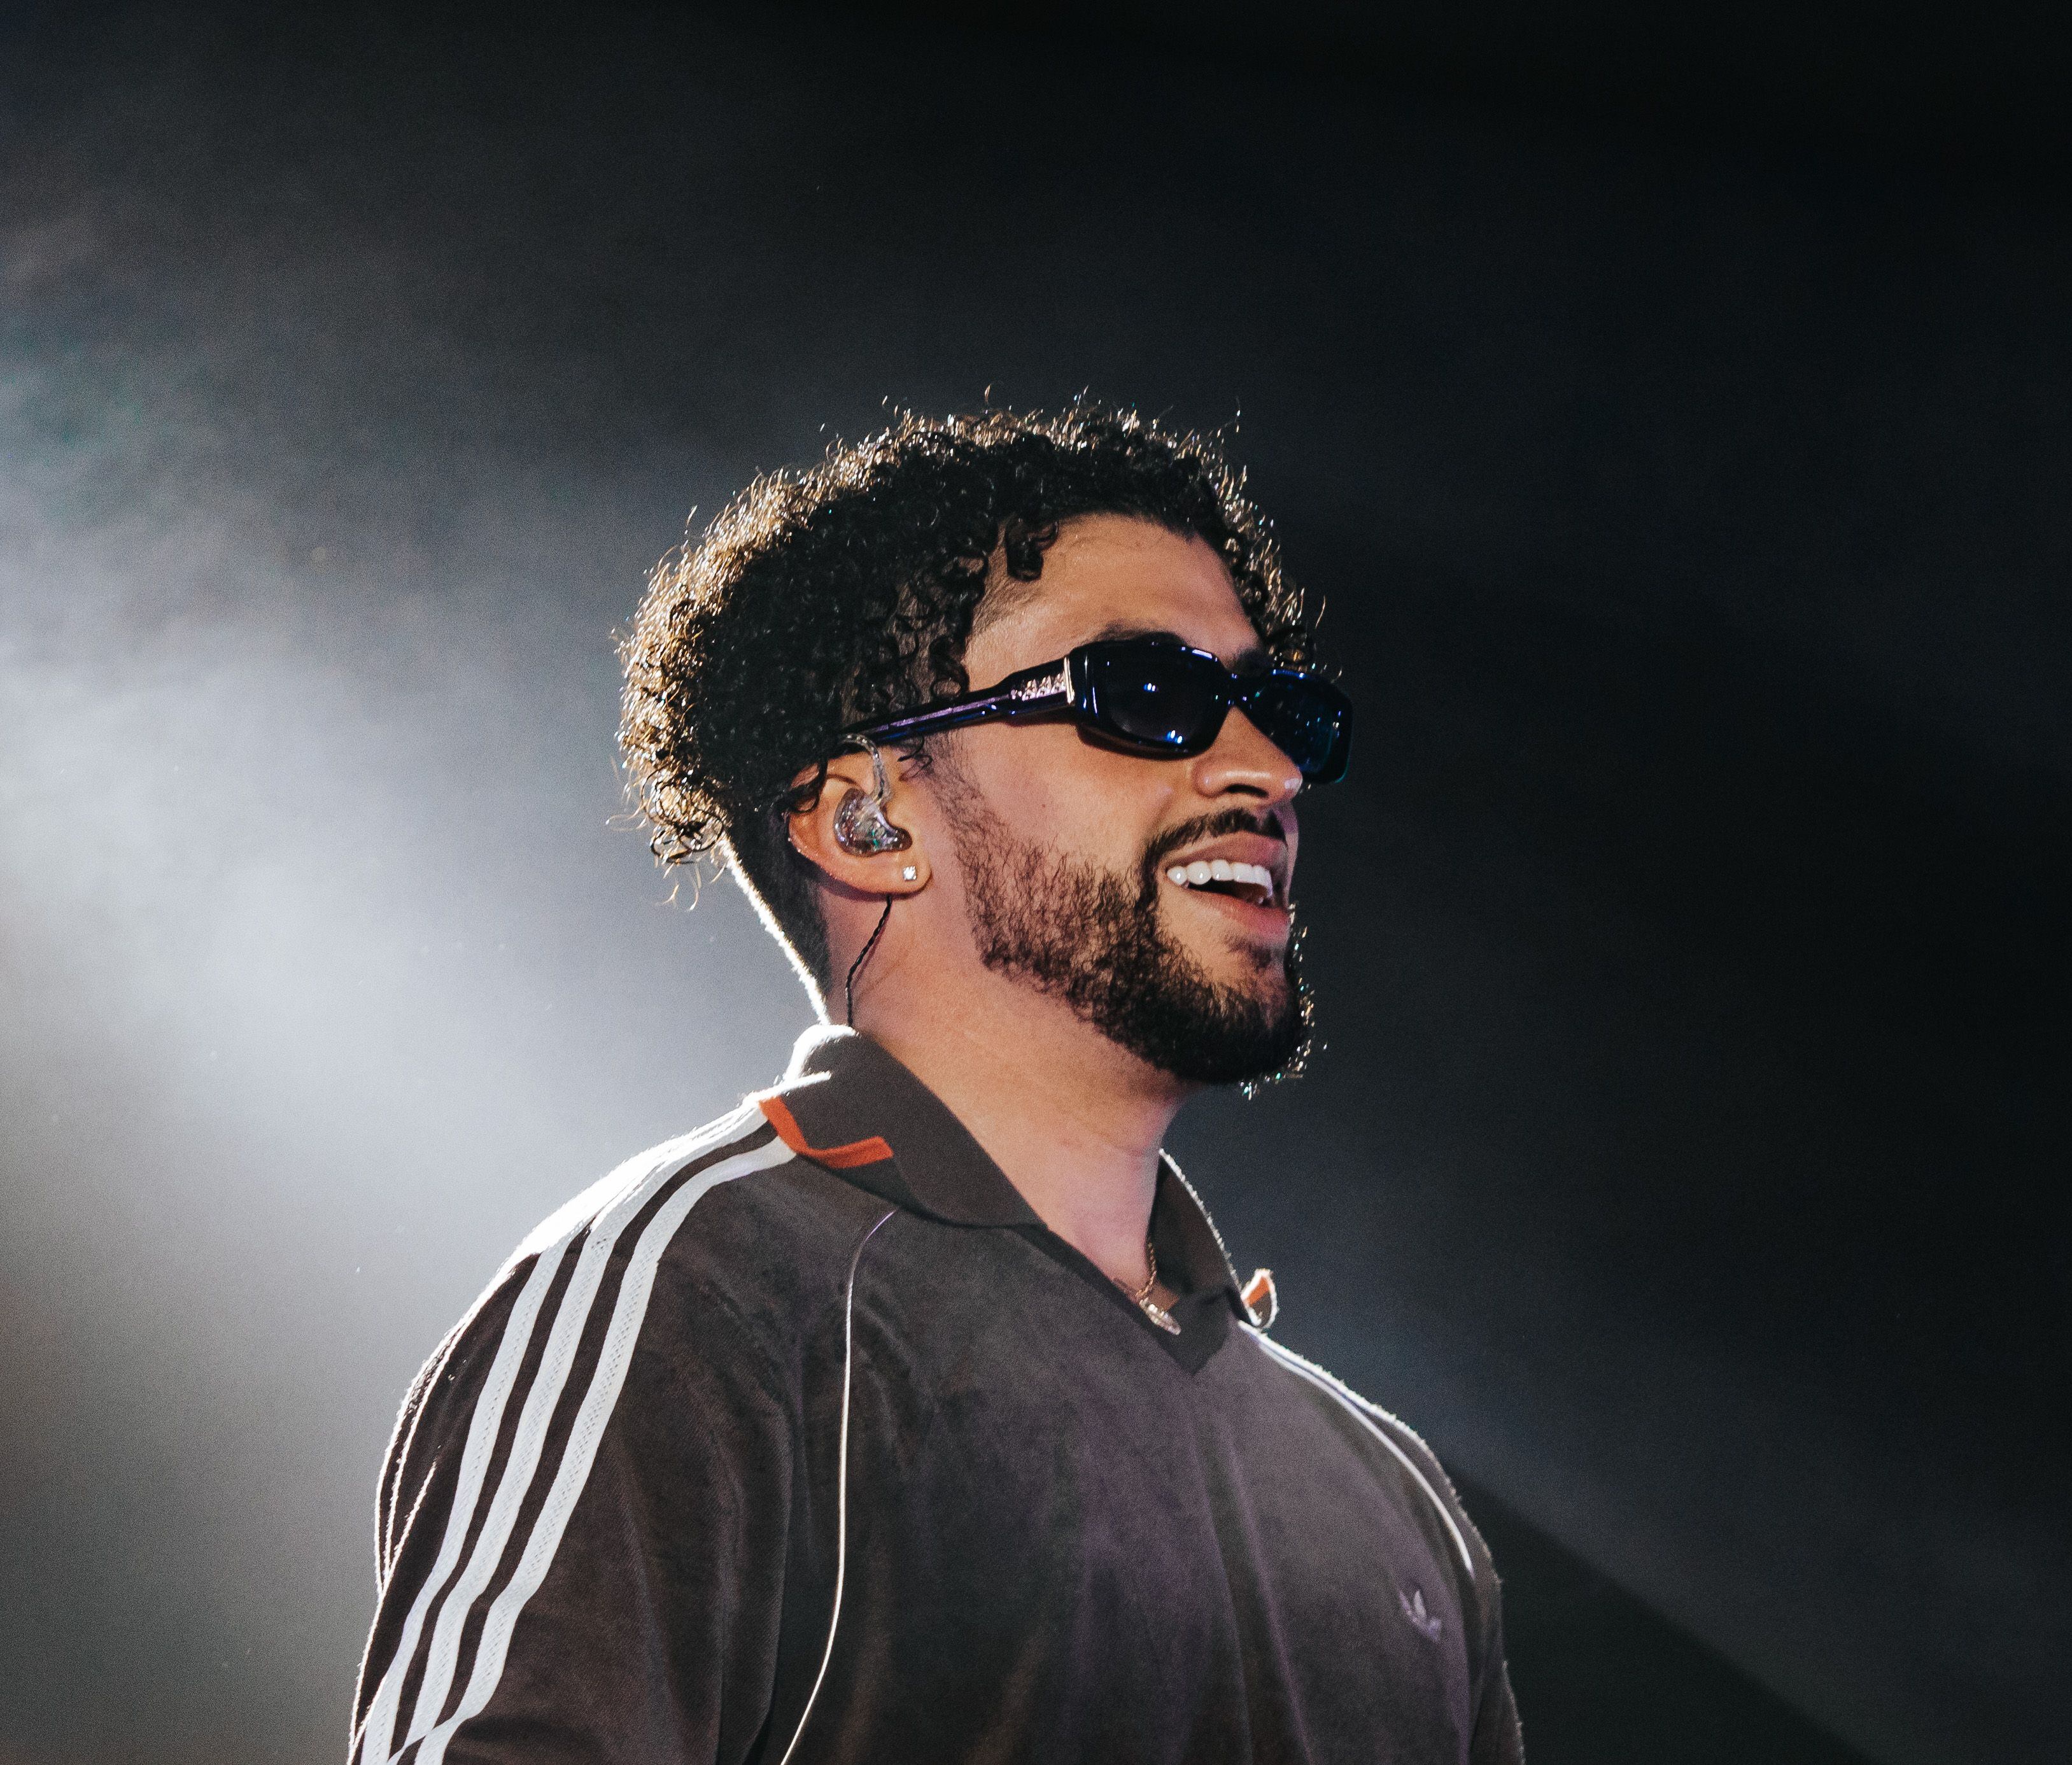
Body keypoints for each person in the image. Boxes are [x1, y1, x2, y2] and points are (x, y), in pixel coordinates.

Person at [347, 406, 1519, 1764]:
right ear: (868, 819)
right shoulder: (695, 1303)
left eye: (1283, 709)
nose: (1268, 766)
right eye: (1147, 695)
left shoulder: (1393, 1497)